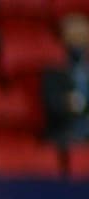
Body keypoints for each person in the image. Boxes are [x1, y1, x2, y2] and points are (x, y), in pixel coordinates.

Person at [41, 12, 89, 144]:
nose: (78, 42)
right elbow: (51, 105)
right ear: (63, 39)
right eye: (74, 37)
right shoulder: (54, 70)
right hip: (66, 134)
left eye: (82, 37)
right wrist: (65, 103)